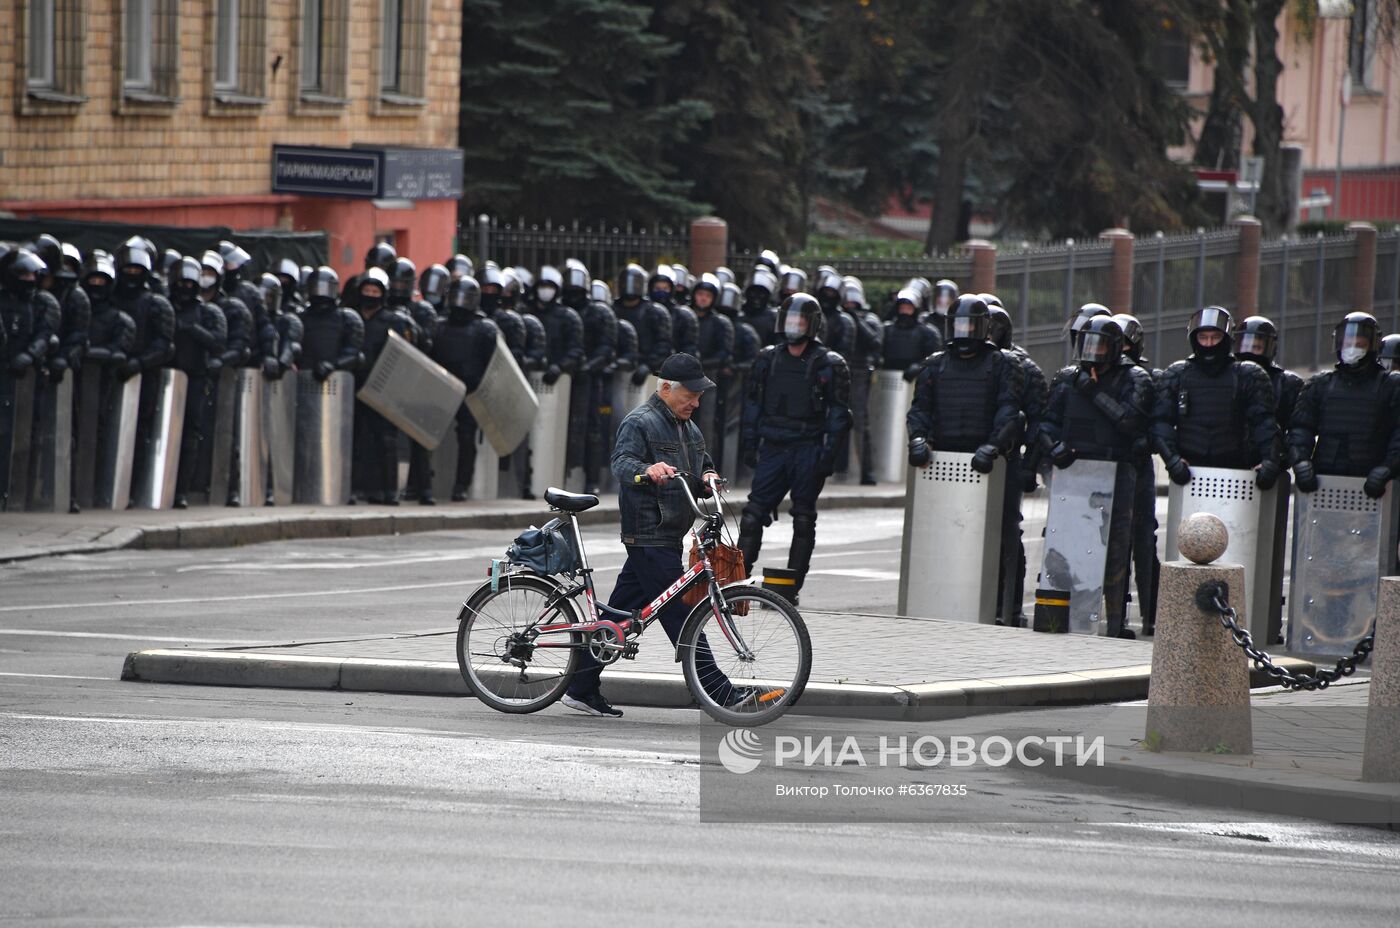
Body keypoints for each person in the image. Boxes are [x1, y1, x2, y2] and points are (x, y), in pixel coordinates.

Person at [562, 353, 753, 718]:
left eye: (699, 396)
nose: (696, 403)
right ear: (666, 388)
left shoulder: (687, 427)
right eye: (691, 395)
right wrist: (648, 470)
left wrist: (709, 475)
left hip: (668, 533)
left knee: (622, 613)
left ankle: (580, 687)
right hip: (647, 532)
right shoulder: (641, 422)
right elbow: (621, 464)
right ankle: (717, 690)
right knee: (681, 613)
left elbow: (701, 460)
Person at [1038, 316, 1154, 638]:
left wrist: (1094, 394)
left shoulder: (1135, 379)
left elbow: (1132, 424)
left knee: (1116, 552)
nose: (1093, 351)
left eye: (1100, 345)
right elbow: (1045, 423)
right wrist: (1054, 447)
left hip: (1116, 477)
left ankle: (1115, 624)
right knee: (1065, 549)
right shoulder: (1066, 379)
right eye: (1088, 344)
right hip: (1073, 477)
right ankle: (1057, 617)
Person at [738, 294, 852, 603]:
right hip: (774, 447)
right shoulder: (768, 358)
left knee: (803, 518)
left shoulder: (828, 363)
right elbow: (752, 403)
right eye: (789, 319)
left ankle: (791, 590)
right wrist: (749, 442)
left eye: (799, 321)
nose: (793, 326)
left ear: (811, 325)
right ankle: (738, 585)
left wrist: (827, 456)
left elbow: (839, 414)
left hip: (807, 447)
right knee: (752, 516)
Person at [1152, 306, 1281, 489]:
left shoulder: (1249, 375)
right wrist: (1172, 460)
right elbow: (1161, 422)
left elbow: (1264, 423)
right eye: (1203, 338)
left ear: (1226, 338)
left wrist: (1270, 460)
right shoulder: (1177, 374)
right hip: (1189, 472)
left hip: (1237, 471)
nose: (1209, 343)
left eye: (1215, 337)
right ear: (1194, 338)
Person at [1289, 312, 1400, 498]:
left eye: (1360, 344)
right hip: (1325, 481)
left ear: (1371, 346)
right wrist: (1300, 461)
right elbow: (1301, 428)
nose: (1352, 349)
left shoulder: (1390, 386)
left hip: (1372, 483)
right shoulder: (1321, 384)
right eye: (1348, 343)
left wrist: (1388, 468)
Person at [987, 297, 1048, 626]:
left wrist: (1029, 466)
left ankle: (1010, 605)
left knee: (1008, 532)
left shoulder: (1023, 367)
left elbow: (1037, 421)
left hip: (1008, 460)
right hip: (976, 459)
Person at [1113, 312, 1162, 635]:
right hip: (1106, 466)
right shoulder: (1096, 376)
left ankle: (1152, 614)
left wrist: (1143, 444)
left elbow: (1158, 422)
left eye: (1125, 344)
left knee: (1143, 542)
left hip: (1137, 467)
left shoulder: (1148, 377)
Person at [352, 268, 416, 505]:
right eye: (367, 290)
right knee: (360, 440)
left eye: (375, 290)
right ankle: (362, 489)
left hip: (384, 390)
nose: (370, 294)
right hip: (357, 387)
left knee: (386, 441)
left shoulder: (393, 321)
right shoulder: (353, 318)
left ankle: (389, 491)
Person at [168, 257, 228, 510]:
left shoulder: (207, 311)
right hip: (165, 377)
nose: (185, 287)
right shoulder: (165, 307)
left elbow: (217, 342)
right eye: (181, 282)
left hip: (195, 378)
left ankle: (181, 489)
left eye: (190, 283)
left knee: (191, 434)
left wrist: (192, 330)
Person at [433, 276, 499, 500]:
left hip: (470, 392)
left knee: (466, 437)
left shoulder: (484, 328)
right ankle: (421, 483)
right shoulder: (439, 325)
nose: (459, 303)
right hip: (442, 388)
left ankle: (461, 484)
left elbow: (494, 364)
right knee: (425, 430)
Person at [842, 276, 884, 485]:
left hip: (859, 373)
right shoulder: (837, 316)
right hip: (839, 370)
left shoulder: (870, 318)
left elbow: (874, 342)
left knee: (860, 422)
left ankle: (867, 472)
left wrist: (855, 319)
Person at [298, 266, 364, 385]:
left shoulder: (347, 318)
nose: (320, 293)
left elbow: (354, 354)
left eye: (325, 288)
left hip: (337, 382)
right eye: (316, 288)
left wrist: (333, 365)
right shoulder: (301, 318)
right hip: (304, 379)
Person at [691, 273, 733, 458]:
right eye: (700, 294)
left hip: (708, 376)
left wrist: (702, 364)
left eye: (707, 295)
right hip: (684, 377)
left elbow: (724, 352)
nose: (703, 298)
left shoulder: (719, 322)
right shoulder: (686, 315)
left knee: (706, 422)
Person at [613, 263, 673, 387]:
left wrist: (648, 365)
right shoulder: (611, 310)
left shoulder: (655, 312)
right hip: (617, 368)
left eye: (635, 283)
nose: (630, 287)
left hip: (648, 372)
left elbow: (663, 345)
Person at [881, 289, 942, 383]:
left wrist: (919, 366)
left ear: (915, 310)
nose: (905, 312)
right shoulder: (887, 329)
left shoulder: (928, 332)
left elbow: (934, 358)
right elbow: (876, 351)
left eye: (908, 309)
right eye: (902, 308)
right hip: (887, 379)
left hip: (915, 380)